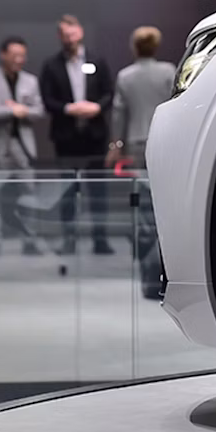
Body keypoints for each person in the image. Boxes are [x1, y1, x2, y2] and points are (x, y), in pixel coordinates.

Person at [105, 27, 176, 296]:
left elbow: (118, 114)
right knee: (163, 206)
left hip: (135, 144)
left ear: (134, 47)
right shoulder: (168, 71)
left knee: (143, 208)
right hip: (164, 142)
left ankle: (146, 271)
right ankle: (163, 270)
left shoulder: (125, 76)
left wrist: (115, 145)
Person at [39, 15, 115, 255]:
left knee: (98, 192)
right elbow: (47, 99)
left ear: (80, 32)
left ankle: (100, 239)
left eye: (72, 33)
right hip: (66, 137)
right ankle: (69, 240)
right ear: (60, 37)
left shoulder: (97, 60)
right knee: (68, 191)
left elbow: (109, 92)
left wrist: (96, 107)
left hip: (94, 136)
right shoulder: (51, 65)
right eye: (64, 34)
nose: (69, 38)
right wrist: (68, 108)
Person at [0, 36, 46, 257]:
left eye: (22, 55)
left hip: (22, 146)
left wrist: (21, 110)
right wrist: (10, 111)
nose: (19, 59)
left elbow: (38, 110)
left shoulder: (30, 81)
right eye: (15, 55)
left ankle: (30, 240)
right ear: (3, 54)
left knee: (29, 194)